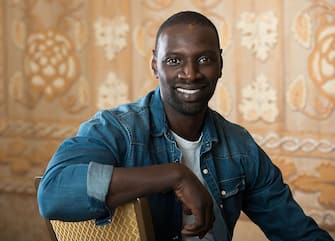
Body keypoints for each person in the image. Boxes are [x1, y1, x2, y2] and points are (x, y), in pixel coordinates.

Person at [37, 11, 334, 241]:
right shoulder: (116, 130)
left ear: (220, 64)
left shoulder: (239, 146)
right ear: (155, 65)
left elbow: (296, 232)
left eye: (204, 59)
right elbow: (53, 193)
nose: (190, 74)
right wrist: (175, 175)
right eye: (174, 60)